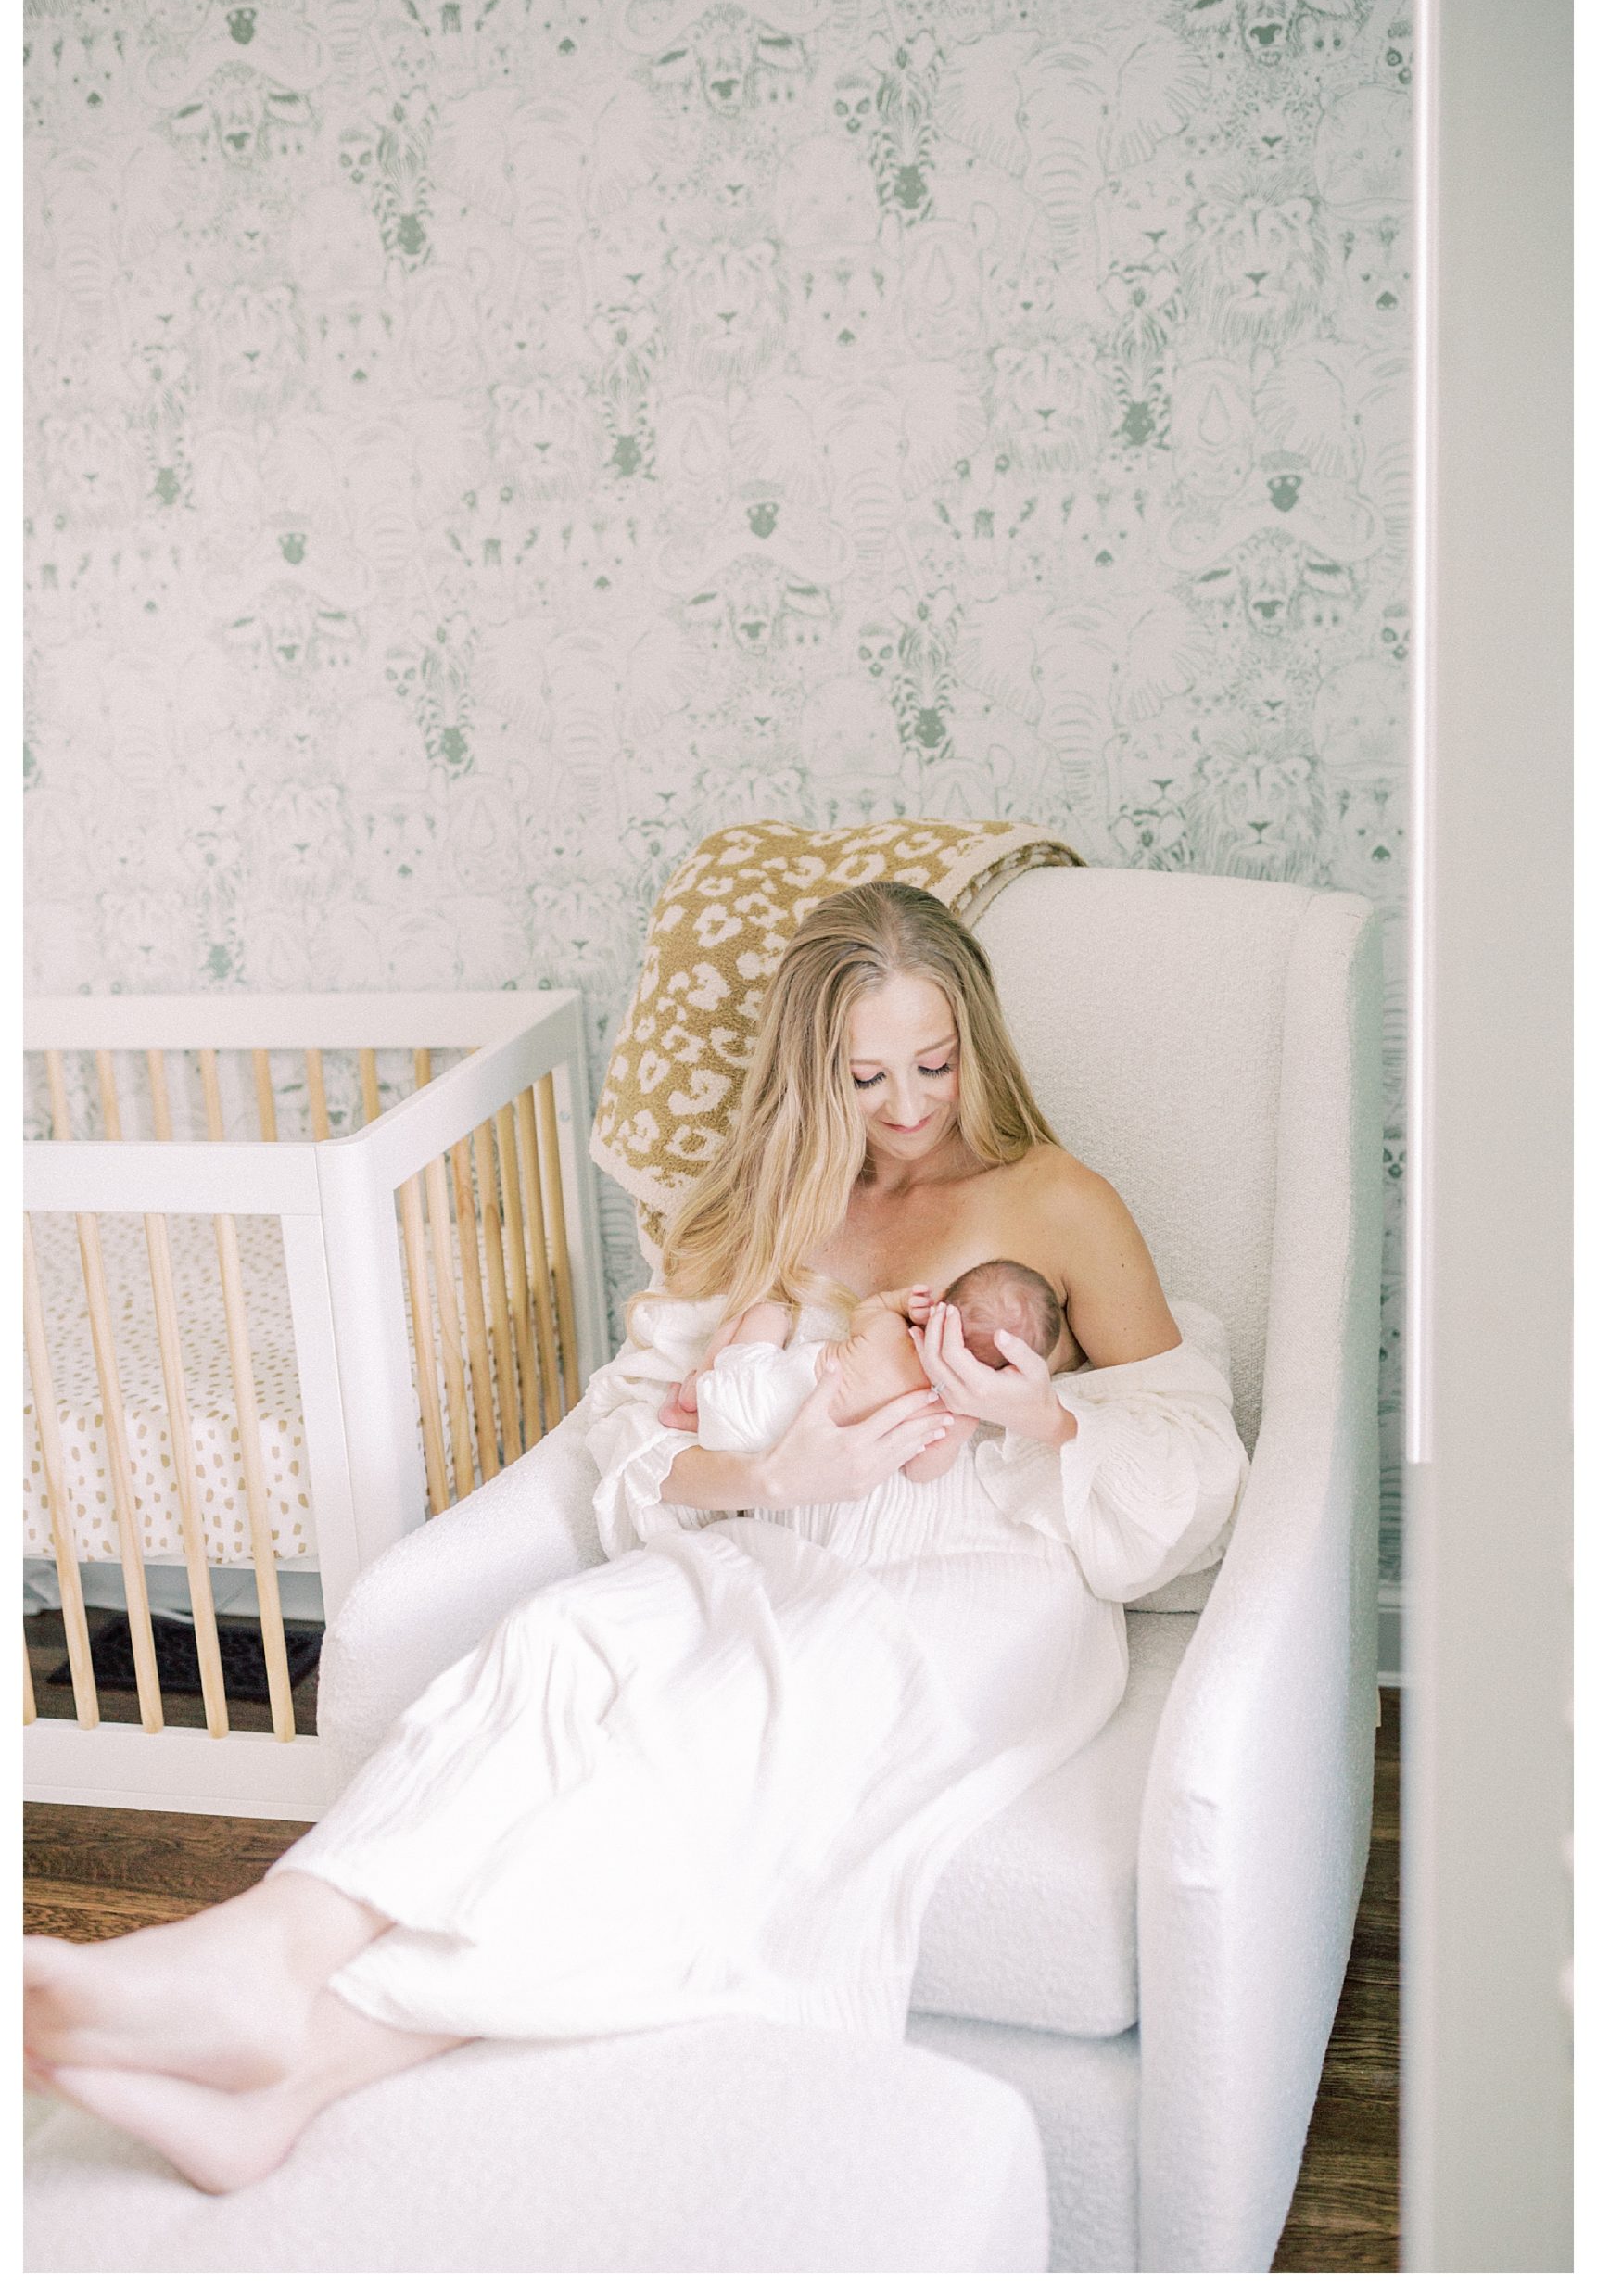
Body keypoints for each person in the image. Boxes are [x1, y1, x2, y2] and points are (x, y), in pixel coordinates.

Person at [23, 881, 1248, 2195]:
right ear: (807, 1072)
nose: (906, 1106)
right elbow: (633, 1444)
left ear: (977, 1047)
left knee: (722, 1734)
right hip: (781, 1540)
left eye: (935, 1064)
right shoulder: (772, 1207)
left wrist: (1040, 1414)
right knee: (553, 1643)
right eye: (865, 1074)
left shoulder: (1056, 1200)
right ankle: (265, 1958)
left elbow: (1192, 1464)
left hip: (982, 1585)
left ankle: (315, 2044)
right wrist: (773, 1470)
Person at [666, 1260, 1072, 1489]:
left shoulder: (890, 1330)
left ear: (942, 1303)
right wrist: (959, 1434)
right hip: (784, 1451)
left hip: (745, 1392)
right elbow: (920, 1471)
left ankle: (696, 1390)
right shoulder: (957, 1412)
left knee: (769, 1311)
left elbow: (865, 1310)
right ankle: (695, 1413)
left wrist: (899, 1302)